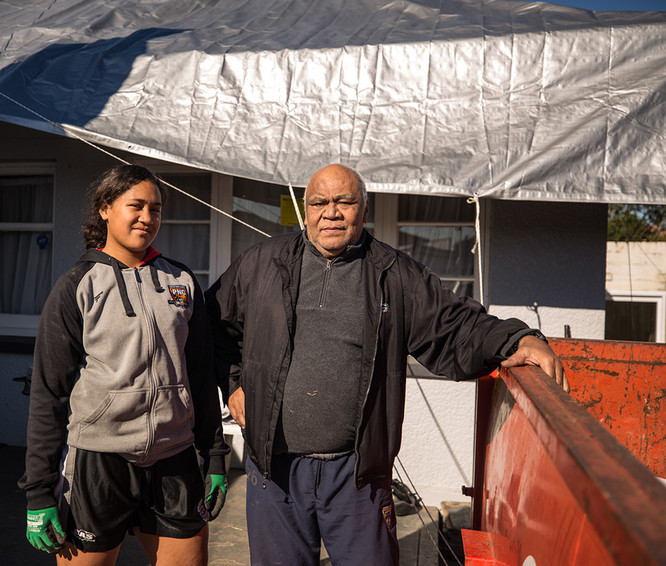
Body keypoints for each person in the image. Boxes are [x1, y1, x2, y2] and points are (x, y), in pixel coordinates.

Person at [205, 163, 568, 566]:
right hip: (273, 468)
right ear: (304, 210)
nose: (332, 212)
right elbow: (214, 327)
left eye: (345, 201)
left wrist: (516, 339)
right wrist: (234, 384)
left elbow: (455, 325)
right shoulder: (262, 264)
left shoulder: (394, 274)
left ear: (364, 208)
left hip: (357, 474)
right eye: (320, 202)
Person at [19, 164, 229, 566]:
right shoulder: (77, 286)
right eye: (136, 206)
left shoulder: (181, 281)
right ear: (104, 208)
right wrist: (38, 491)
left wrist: (214, 453)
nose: (147, 218)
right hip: (100, 462)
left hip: (175, 458)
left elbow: (200, 375)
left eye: (156, 208)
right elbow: (48, 394)